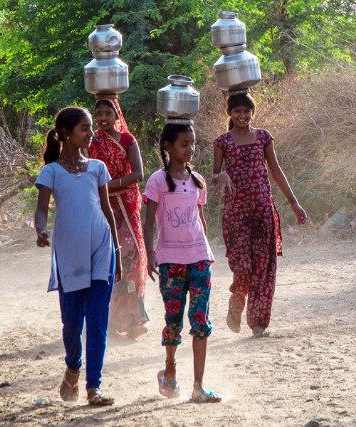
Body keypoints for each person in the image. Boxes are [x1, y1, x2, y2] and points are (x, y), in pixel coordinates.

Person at [34, 106, 122, 406]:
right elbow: (41, 210)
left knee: (97, 321)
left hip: (101, 248)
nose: (91, 133)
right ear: (65, 134)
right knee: (72, 323)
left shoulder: (97, 168)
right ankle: (73, 366)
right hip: (69, 253)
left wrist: (117, 250)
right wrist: (41, 230)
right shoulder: (51, 172)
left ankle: (94, 386)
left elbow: (107, 210)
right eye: (85, 128)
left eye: (90, 128)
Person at [212, 92, 307, 338]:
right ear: (230, 113)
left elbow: (276, 171)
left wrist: (294, 203)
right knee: (243, 267)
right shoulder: (222, 142)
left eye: (247, 111)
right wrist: (220, 175)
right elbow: (214, 177)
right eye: (237, 111)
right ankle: (236, 302)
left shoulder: (264, 137)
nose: (242, 115)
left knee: (264, 269)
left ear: (253, 112)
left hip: (263, 210)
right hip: (236, 214)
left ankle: (258, 324)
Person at [143, 123, 221, 403]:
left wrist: (206, 251)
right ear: (168, 146)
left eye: (192, 144)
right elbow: (149, 221)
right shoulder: (157, 181)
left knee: (200, 320)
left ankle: (198, 386)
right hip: (170, 262)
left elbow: (199, 219)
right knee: (173, 320)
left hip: (199, 258)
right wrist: (150, 253)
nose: (190, 149)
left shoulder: (197, 181)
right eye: (184, 144)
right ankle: (170, 369)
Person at [88, 98, 148, 339]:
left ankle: (133, 320)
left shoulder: (127, 140)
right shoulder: (91, 142)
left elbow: (138, 173)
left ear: (117, 115)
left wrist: (110, 185)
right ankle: (110, 320)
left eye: (108, 113)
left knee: (132, 258)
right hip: (102, 206)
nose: (103, 118)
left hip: (126, 205)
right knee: (107, 259)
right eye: (99, 113)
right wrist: (103, 190)